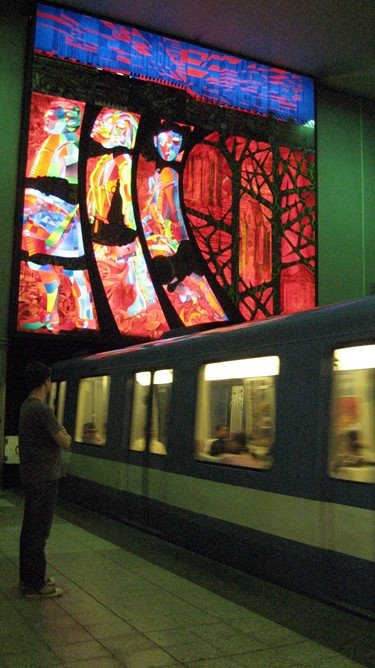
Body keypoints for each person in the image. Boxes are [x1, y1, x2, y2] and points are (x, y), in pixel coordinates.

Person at [18, 362, 71, 599]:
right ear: (45, 381)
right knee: (39, 532)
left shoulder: (26, 407)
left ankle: (29, 578)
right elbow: (64, 440)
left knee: (30, 530)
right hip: (45, 477)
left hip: (33, 476)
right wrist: (65, 434)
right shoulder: (41, 409)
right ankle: (35, 585)